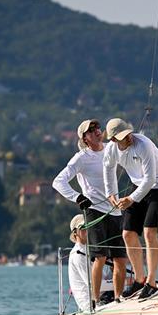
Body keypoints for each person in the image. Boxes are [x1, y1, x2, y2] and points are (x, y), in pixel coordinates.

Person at [53, 119, 127, 305]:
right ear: (85, 138)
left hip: (115, 209)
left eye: (97, 128)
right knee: (100, 257)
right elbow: (58, 181)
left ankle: (118, 298)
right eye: (91, 130)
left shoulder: (111, 148)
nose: (97, 131)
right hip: (94, 211)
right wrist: (77, 197)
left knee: (120, 258)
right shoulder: (81, 158)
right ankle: (96, 300)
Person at [103, 118, 158, 300]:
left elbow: (150, 179)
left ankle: (151, 283)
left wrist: (131, 199)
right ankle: (139, 279)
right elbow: (108, 168)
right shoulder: (111, 149)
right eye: (122, 137)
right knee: (128, 233)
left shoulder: (144, 145)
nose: (128, 138)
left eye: (127, 133)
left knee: (150, 232)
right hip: (138, 186)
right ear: (113, 140)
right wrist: (111, 193)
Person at [67, 214, 114, 311]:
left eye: (89, 226)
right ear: (75, 233)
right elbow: (95, 285)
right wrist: (125, 282)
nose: (87, 230)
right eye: (83, 228)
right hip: (90, 304)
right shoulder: (78, 255)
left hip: (105, 296)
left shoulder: (90, 250)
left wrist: (114, 271)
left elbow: (104, 279)